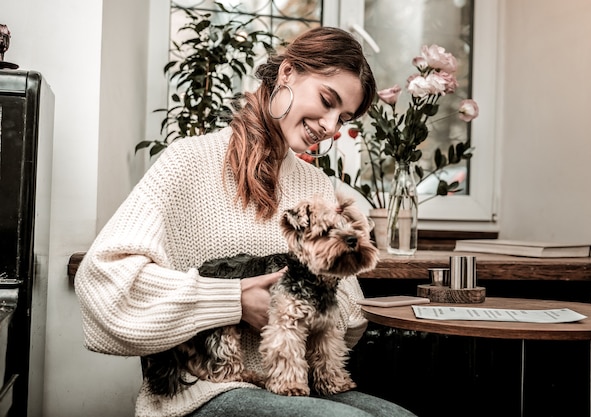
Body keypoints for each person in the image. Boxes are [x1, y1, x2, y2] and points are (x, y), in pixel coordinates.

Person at [74, 26, 417, 417]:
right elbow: (102, 286)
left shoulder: (316, 184)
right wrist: (232, 300)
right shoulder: (187, 160)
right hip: (205, 388)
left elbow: (349, 317)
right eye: (327, 100)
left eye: (343, 117)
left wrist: (317, 294)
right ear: (287, 73)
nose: (330, 126)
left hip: (293, 385)